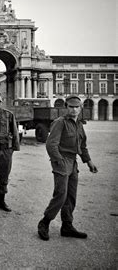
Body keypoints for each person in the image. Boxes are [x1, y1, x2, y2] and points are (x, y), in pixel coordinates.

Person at [37, 96, 98, 241]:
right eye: (71, 106)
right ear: (66, 107)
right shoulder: (60, 123)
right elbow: (51, 144)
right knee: (61, 194)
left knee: (71, 195)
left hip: (73, 162)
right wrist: (59, 161)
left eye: (77, 107)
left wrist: (89, 162)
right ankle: (44, 222)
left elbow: (82, 146)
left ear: (81, 108)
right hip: (62, 161)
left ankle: (67, 225)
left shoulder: (79, 125)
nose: (74, 109)